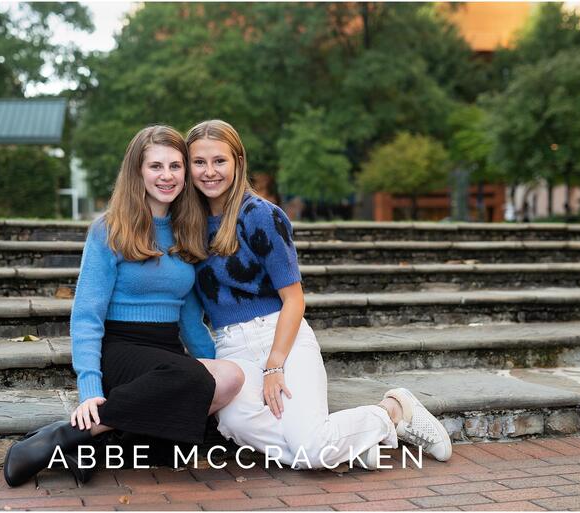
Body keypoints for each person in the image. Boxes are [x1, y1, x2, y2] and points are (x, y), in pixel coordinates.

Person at [185, 119, 452, 469]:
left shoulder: (262, 216)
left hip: (280, 335)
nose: (209, 171)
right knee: (234, 422)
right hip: (231, 348)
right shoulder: (187, 226)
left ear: (237, 161)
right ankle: (348, 447)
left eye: (219, 160)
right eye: (199, 162)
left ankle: (391, 411)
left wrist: (274, 364)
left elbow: (294, 299)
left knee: (309, 447)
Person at [3, 125, 244, 486]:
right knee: (191, 380)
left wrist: (213, 363)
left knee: (229, 378)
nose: (167, 176)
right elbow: (86, 315)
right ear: (137, 172)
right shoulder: (109, 230)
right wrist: (90, 388)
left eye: (175, 166)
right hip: (119, 350)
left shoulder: (188, 231)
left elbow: (191, 319)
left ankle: (87, 440)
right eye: (156, 166)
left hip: (165, 351)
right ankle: (63, 436)